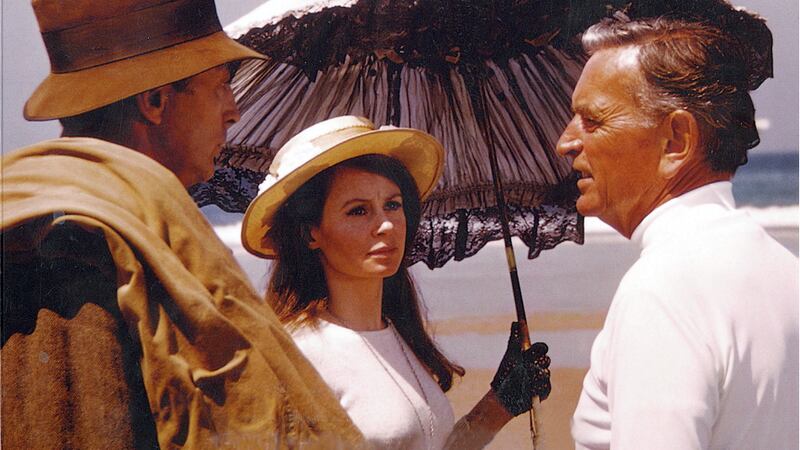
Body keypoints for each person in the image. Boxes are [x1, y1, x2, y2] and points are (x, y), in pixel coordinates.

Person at [1, 0, 364, 448]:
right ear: (155, 101)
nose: (232, 111)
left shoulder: (123, 219)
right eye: (220, 86)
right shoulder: (77, 242)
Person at [555, 6, 799, 449]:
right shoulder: (786, 272)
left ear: (676, 141)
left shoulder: (663, 290)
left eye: (593, 120)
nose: (566, 142)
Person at [240, 115, 552, 449]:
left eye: (392, 205)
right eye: (358, 211)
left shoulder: (397, 333)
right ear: (310, 232)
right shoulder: (299, 354)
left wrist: (498, 404)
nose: (386, 225)